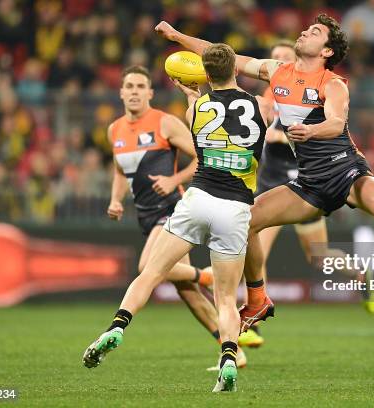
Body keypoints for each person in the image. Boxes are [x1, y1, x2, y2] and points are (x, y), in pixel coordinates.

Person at [154, 13, 374, 331]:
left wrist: (313, 131)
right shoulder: (278, 73)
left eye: (315, 32)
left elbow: (337, 122)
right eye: (307, 29)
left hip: (346, 171)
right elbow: (225, 57)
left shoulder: (333, 84)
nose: (305, 33)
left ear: (327, 51)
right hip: (310, 183)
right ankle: (257, 299)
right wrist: (177, 37)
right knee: (246, 220)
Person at [82, 46, 269, 392]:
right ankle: (229, 357)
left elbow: (200, 140)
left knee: (151, 272)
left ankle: (117, 326)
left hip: (195, 200)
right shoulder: (258, 105)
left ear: (204, 76)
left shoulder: (195, 108)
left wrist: (193, 94)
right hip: (235, 207)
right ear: (237, 70)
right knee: (226, 299)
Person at [238, 40, 374, 349]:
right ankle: (253, 323)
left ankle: (359, 273)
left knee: (318, 255)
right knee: (255, 243)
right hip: (275, 187)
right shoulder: (265, 100)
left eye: (283, 57)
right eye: (274, 58)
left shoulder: (317, 91)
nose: (278, 62)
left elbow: (335, 127)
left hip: (311, 185)